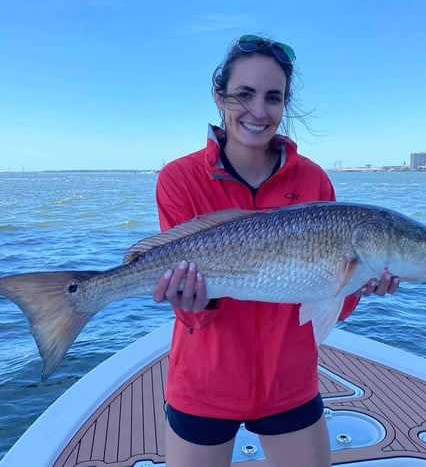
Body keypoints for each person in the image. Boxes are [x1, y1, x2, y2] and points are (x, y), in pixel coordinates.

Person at [152, 34, 399, 467]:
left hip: (290, 382)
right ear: (219, 97)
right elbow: (189, 314)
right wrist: (192, 299)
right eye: (244, 95)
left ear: (286, 104)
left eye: (274, 97)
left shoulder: (313, 180)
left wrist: (361, 281)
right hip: (204, 381)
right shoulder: (179, 178)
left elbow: (330, 305)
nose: (259, 111)